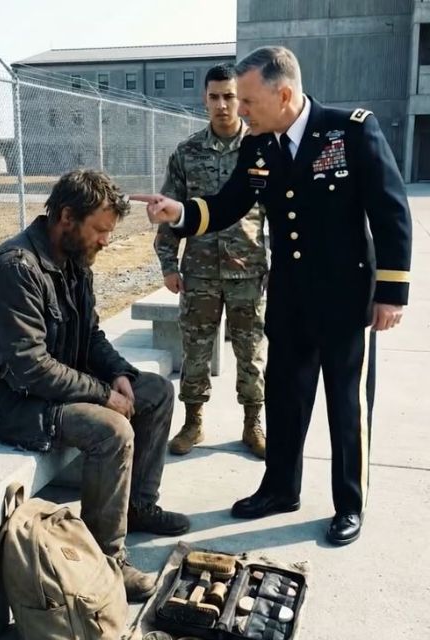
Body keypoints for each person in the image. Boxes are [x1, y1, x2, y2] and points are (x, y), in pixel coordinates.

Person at [133, 46, 412, 546]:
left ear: (283, 95)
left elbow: (391, 213)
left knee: (346, 406)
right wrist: (180, 213)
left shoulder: (350, 130)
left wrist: (391, 294)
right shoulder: (260, 145)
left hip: (347, 300)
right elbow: (228, 204)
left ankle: (350, 504)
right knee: (285, 399)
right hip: (290, 298)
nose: (239, 110)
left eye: (248, 101)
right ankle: (281, 488)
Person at [0, 170, 190, 602]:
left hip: (45, 387)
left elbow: (91, 336)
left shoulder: (74, 260)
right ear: (67, 217)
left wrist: (118, 373)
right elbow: (28, 368)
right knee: (111, 430)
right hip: (4, 403)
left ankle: (137, 507)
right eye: (100, 230)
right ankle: (105, 562)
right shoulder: (15, 269)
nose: (106, 241)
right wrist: (102, 395)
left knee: (156, 392)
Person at [154, 64, 268, 458]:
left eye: (229, 96)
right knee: (196, 350)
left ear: (240, 99)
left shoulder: (261, 148)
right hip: (199, 272)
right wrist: (168, 264)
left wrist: (279, 267)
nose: (222, 105)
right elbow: (169, 211)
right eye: (214, 96)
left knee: (251, 352)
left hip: (247, 271)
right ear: (204, 99)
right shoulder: (186, 154)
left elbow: (277, 211)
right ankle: (193, 422)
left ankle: (253, 423)